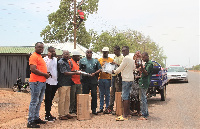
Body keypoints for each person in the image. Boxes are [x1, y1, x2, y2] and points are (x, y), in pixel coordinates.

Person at [27, 42, 51, 128]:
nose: (41, 49)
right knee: (34, 101)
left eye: (42, 48)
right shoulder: (33, 56)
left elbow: (39, 69)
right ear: (35, 47)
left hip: (41, 82)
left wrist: (45, 73)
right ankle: (30, 121)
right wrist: (45, 74)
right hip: (36, 82)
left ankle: (36, 118)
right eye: (39, 47)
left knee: (39, 101)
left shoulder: (39, 57)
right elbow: (33, 69)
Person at [112, 46, 135, 120]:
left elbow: (120, 68)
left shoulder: (125, 58)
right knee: (127, 97)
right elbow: (134, 68)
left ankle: (124, 116)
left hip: (126, 79)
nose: (123, 52)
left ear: (128, 51)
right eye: (122, 51)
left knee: (125, 97)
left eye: (124, 51)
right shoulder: (132, 58)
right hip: (131, 79)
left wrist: (114, 71)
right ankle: (128, 114)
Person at [57, 50, 81, 120]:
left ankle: (66, 113)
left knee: (67, 99)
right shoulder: (61, 62)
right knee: (62, 99)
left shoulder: (67, 62)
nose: (67, 55)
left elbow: (69, 71)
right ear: (62, 54)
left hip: (68, 83)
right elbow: (65, 73)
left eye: (68, 54)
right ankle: (61, 114)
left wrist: (75, 71)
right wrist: (75, 73)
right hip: (62, 83)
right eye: (65, 54)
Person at [79, 49, 102, 115]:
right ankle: (84, 109)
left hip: (93, 80)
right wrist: (84, 73)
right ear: (86, 53)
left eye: (90, 52)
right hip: (85, 80)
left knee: (94, 95)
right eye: (87, 52)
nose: (89, 54)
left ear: (92, 54)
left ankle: (94, 109)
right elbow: (79, 69)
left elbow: (100, 69)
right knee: (85, 95)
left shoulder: (95, 61)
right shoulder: (82, 60)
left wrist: (94, 73)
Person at [43, 46, 58, 122]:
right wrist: (49, 58)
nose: (53, 52)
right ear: (48, 52)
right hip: (48, 82)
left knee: (51, 98)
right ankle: (47, 115)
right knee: (48, 99)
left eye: (54, 51)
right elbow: (47, 68)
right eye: (51, 51)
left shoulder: (55, 59)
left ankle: (49, 113)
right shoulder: (45, 59)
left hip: (55, 82)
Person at [107, 46, 123, 114]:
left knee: (118, 92)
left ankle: (119, 108)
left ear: (119, 50)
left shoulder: (122, 58)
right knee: (112, 92)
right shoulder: (115, 57)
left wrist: (116, 64)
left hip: (119, 77)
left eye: (115, 51)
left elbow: (122, 66)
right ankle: (110, 108)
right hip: (113, 76)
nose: (114, 52)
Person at [138, 52, 153, 120]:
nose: (143, 59)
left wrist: (141, 66)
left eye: (143, 57)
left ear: (147, 56)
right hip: (143, 82)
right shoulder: (147, 64)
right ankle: (146, 112)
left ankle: (144, 114)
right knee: (143, 98)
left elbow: (146, 73)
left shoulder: (150, 64)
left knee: (143, 99)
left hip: (144, 83)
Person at [98, 47, 113, 113]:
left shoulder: (111, 60)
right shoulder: (99, 60)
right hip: (101, 78)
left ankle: (107, 107)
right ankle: (101, 107)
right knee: (101, 94)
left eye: (106, 52)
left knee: (107, 94)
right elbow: (98, 68)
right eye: (104, 52)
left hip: (108, 79)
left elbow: (112, 69)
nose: (105, 53)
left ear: (108, 52)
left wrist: (109, 71)